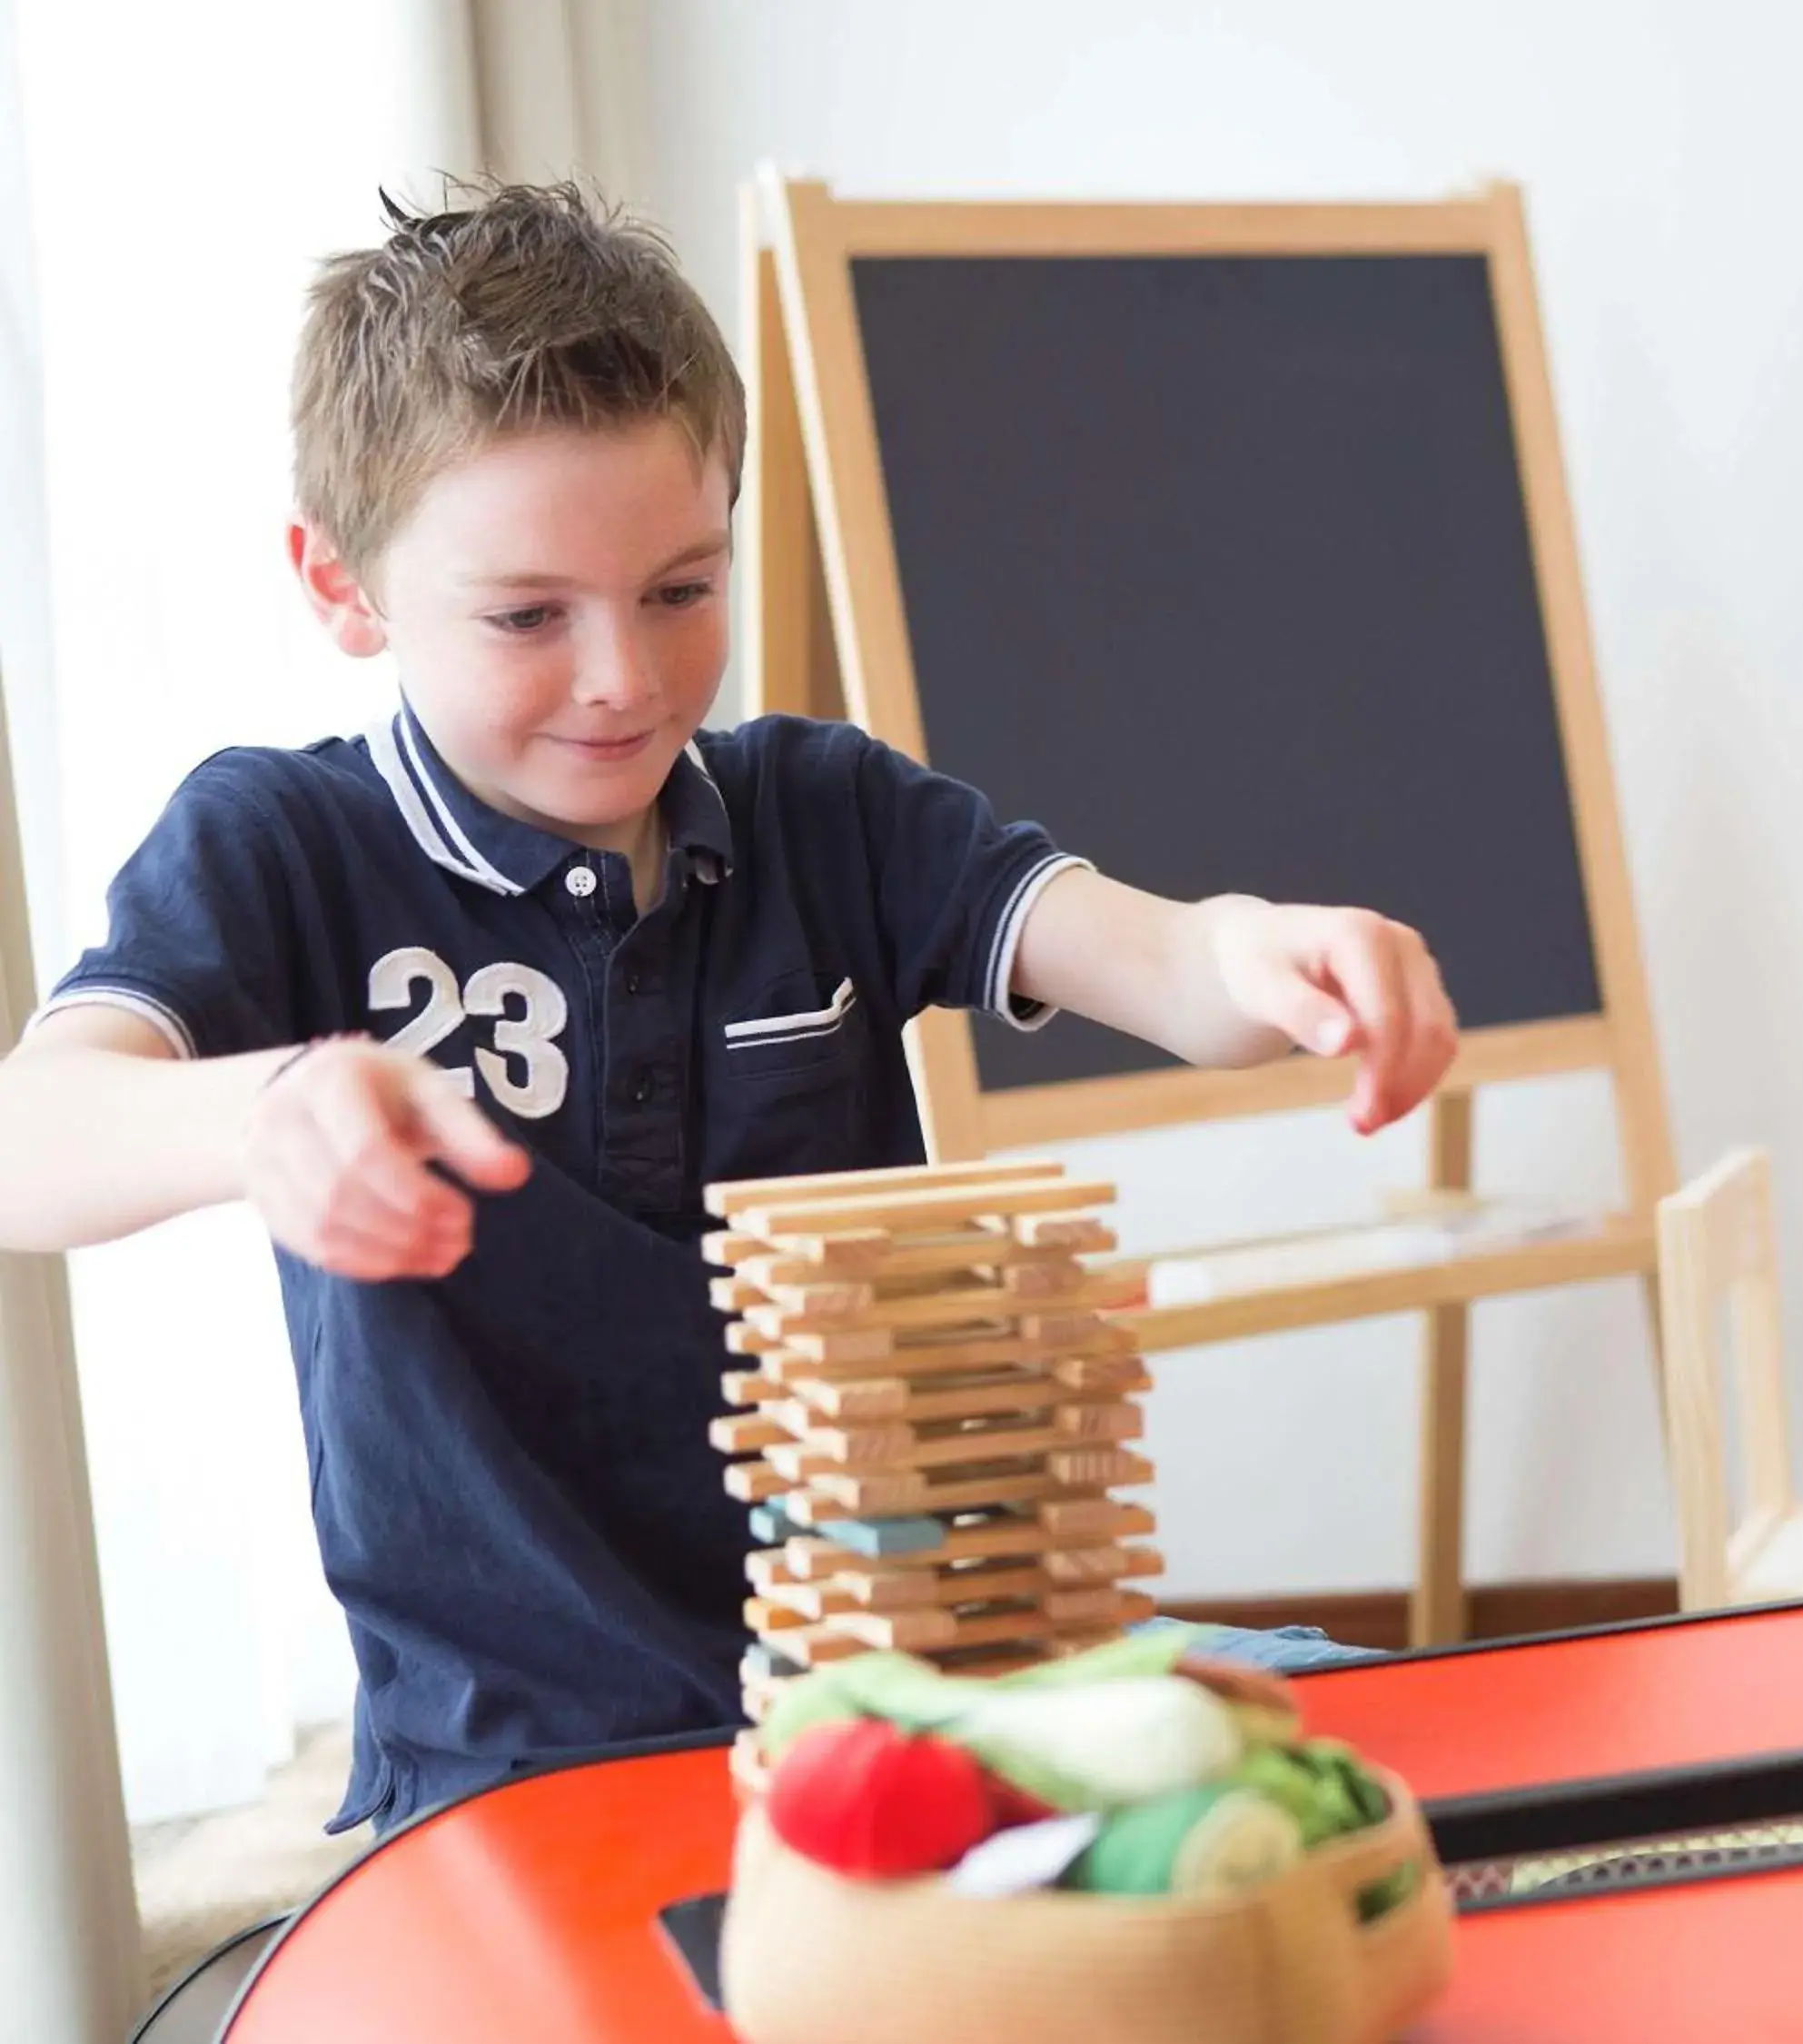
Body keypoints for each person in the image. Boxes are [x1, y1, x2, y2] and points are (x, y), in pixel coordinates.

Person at [0, 183, 1449, 1831]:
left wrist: (1266, 950)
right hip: (517, 1756)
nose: (623, 674)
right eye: (529, 615)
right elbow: (28, 1135)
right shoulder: (281, 843)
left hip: (917, 1685)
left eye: (682, 589)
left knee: (1361, 1769)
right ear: (343, 587)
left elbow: (1171, 966)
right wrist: (264, 1117)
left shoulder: (830, 809)